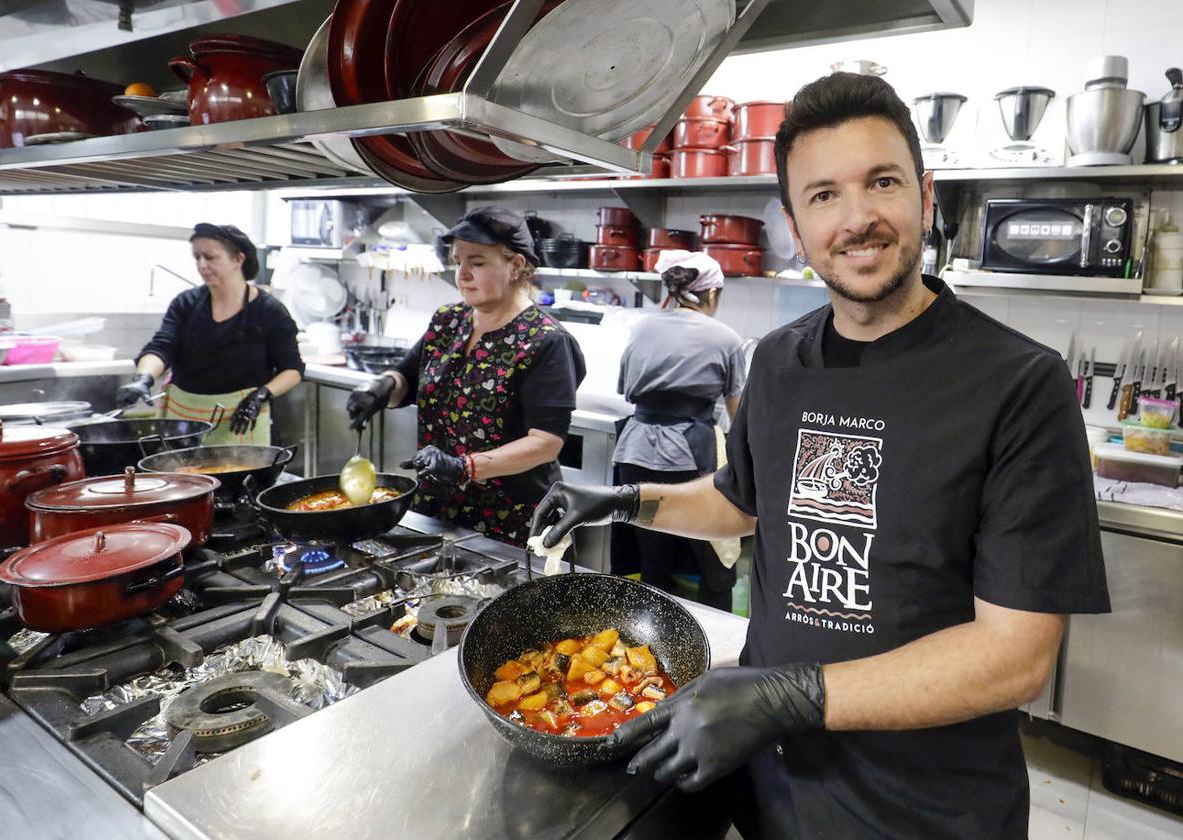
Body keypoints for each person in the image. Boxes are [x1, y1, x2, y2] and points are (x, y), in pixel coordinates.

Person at [530, 72, 1111, 838]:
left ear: (925, 196)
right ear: (795, 227)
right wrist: (627, 499)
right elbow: (743, 504)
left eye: (882, 182)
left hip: (925, 810)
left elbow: (1016, 658)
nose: (859, 217)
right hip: (772, 785)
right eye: (824, 195)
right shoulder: (777, 361)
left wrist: (786, 695)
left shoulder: (1019, 384)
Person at [346, 206, 585, 546]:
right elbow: (406, 379)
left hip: (511, 521)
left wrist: (464, 468)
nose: (462, 274)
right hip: (438, 510)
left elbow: (546, 442)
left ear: (516, 266)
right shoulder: (448, 321)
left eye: (477, 262)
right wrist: (382, 388)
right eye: (458, 261)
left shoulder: (546, 340)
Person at [612, 250, 745, 611]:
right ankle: (719, 648)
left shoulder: (640, 328)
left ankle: (651, 642)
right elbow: (738, 414)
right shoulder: (726, 338)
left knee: (652, 562)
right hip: (692, 456)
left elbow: (625, 389)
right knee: (712, 565)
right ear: (713, 294)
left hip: (634, 451)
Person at [115, 223, 304, 446]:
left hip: (240, 421)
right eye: (197, 257)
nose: (202, 265)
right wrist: (143, 378)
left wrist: (261, 395)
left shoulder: (269, 311)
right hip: (182, 421)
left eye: (210, 257)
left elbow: (292, 369)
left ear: (238, 259)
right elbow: (161, 347)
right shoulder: (186, 303)